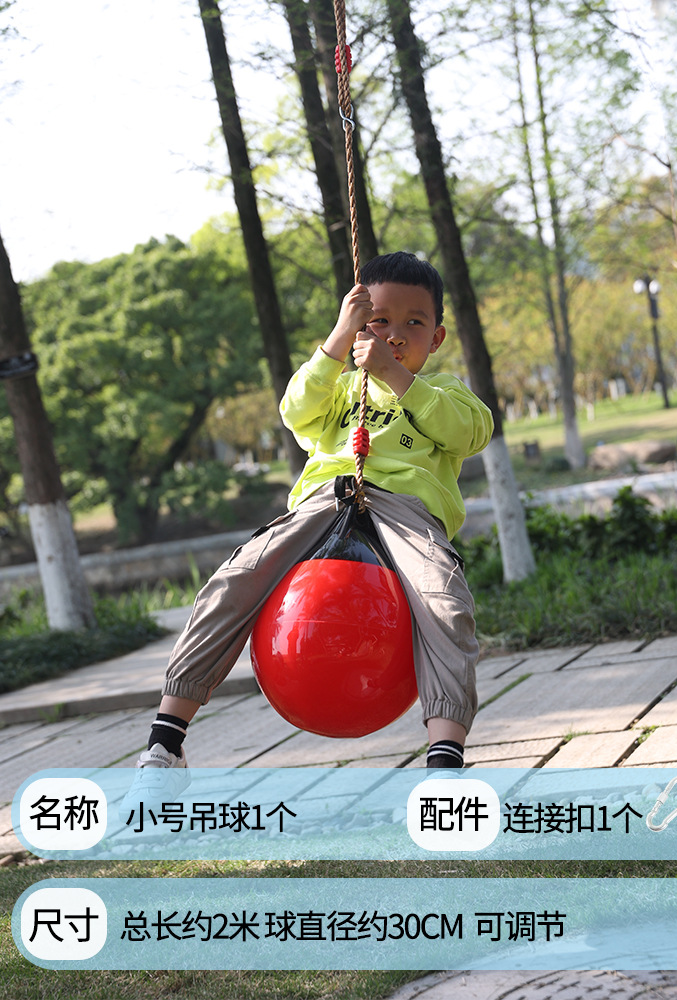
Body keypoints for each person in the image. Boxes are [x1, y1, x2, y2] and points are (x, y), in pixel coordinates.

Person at [120, 251, 493, 814]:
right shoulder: (340, 391)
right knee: (234, 581)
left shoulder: (444, 392)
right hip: (323, 503)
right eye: (379, 320)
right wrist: (339, 340)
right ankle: (165, 743)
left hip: (406, 514)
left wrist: (395, 377)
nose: (395, 334)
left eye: (414, 322)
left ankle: (445, 764)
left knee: (444, 602)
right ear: (360, 325)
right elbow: (295, 411)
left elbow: (469, 432)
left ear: (436, 337)